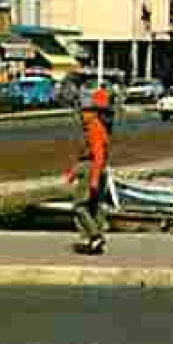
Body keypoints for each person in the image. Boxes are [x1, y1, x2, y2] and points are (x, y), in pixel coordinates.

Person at [67, 86, 113, 255]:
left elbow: (97, 155)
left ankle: (94, 236)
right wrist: (73, 172)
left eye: (84, 112)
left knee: (79, 206)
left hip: (92, 169)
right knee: (96, 205)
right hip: (94, 169)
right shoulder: (97, 127)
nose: (81, 115)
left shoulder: (94, 128)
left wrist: (93, 178)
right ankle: (96, 237)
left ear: (92, 112)